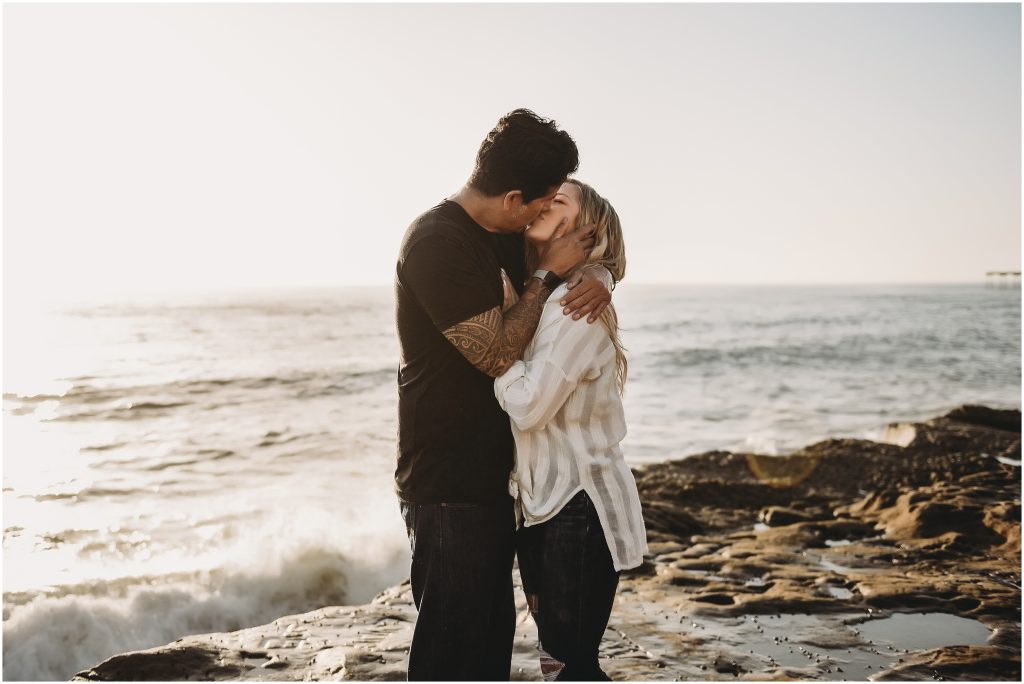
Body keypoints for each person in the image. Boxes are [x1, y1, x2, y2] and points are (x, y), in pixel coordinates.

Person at [393, 109, 615, 681]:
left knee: (490, 647)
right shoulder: (437, 243)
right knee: (451, 650)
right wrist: (546, 279)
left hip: (501, 481)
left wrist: (600, 276)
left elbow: (595, 249)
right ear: (515, 198)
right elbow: (496, 353)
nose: (546, 215)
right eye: (542, 205)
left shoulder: (511, 236)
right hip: (447, 480)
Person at [494, 179, 648, 681]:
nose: (542, 202)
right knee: (559, 660)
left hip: (579, 506)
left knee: (569, 666)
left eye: (558, 201)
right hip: (544, 504)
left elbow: (528, 406)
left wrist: (495, 353)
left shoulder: (576, 308)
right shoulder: (544, 291)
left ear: (586, 232)